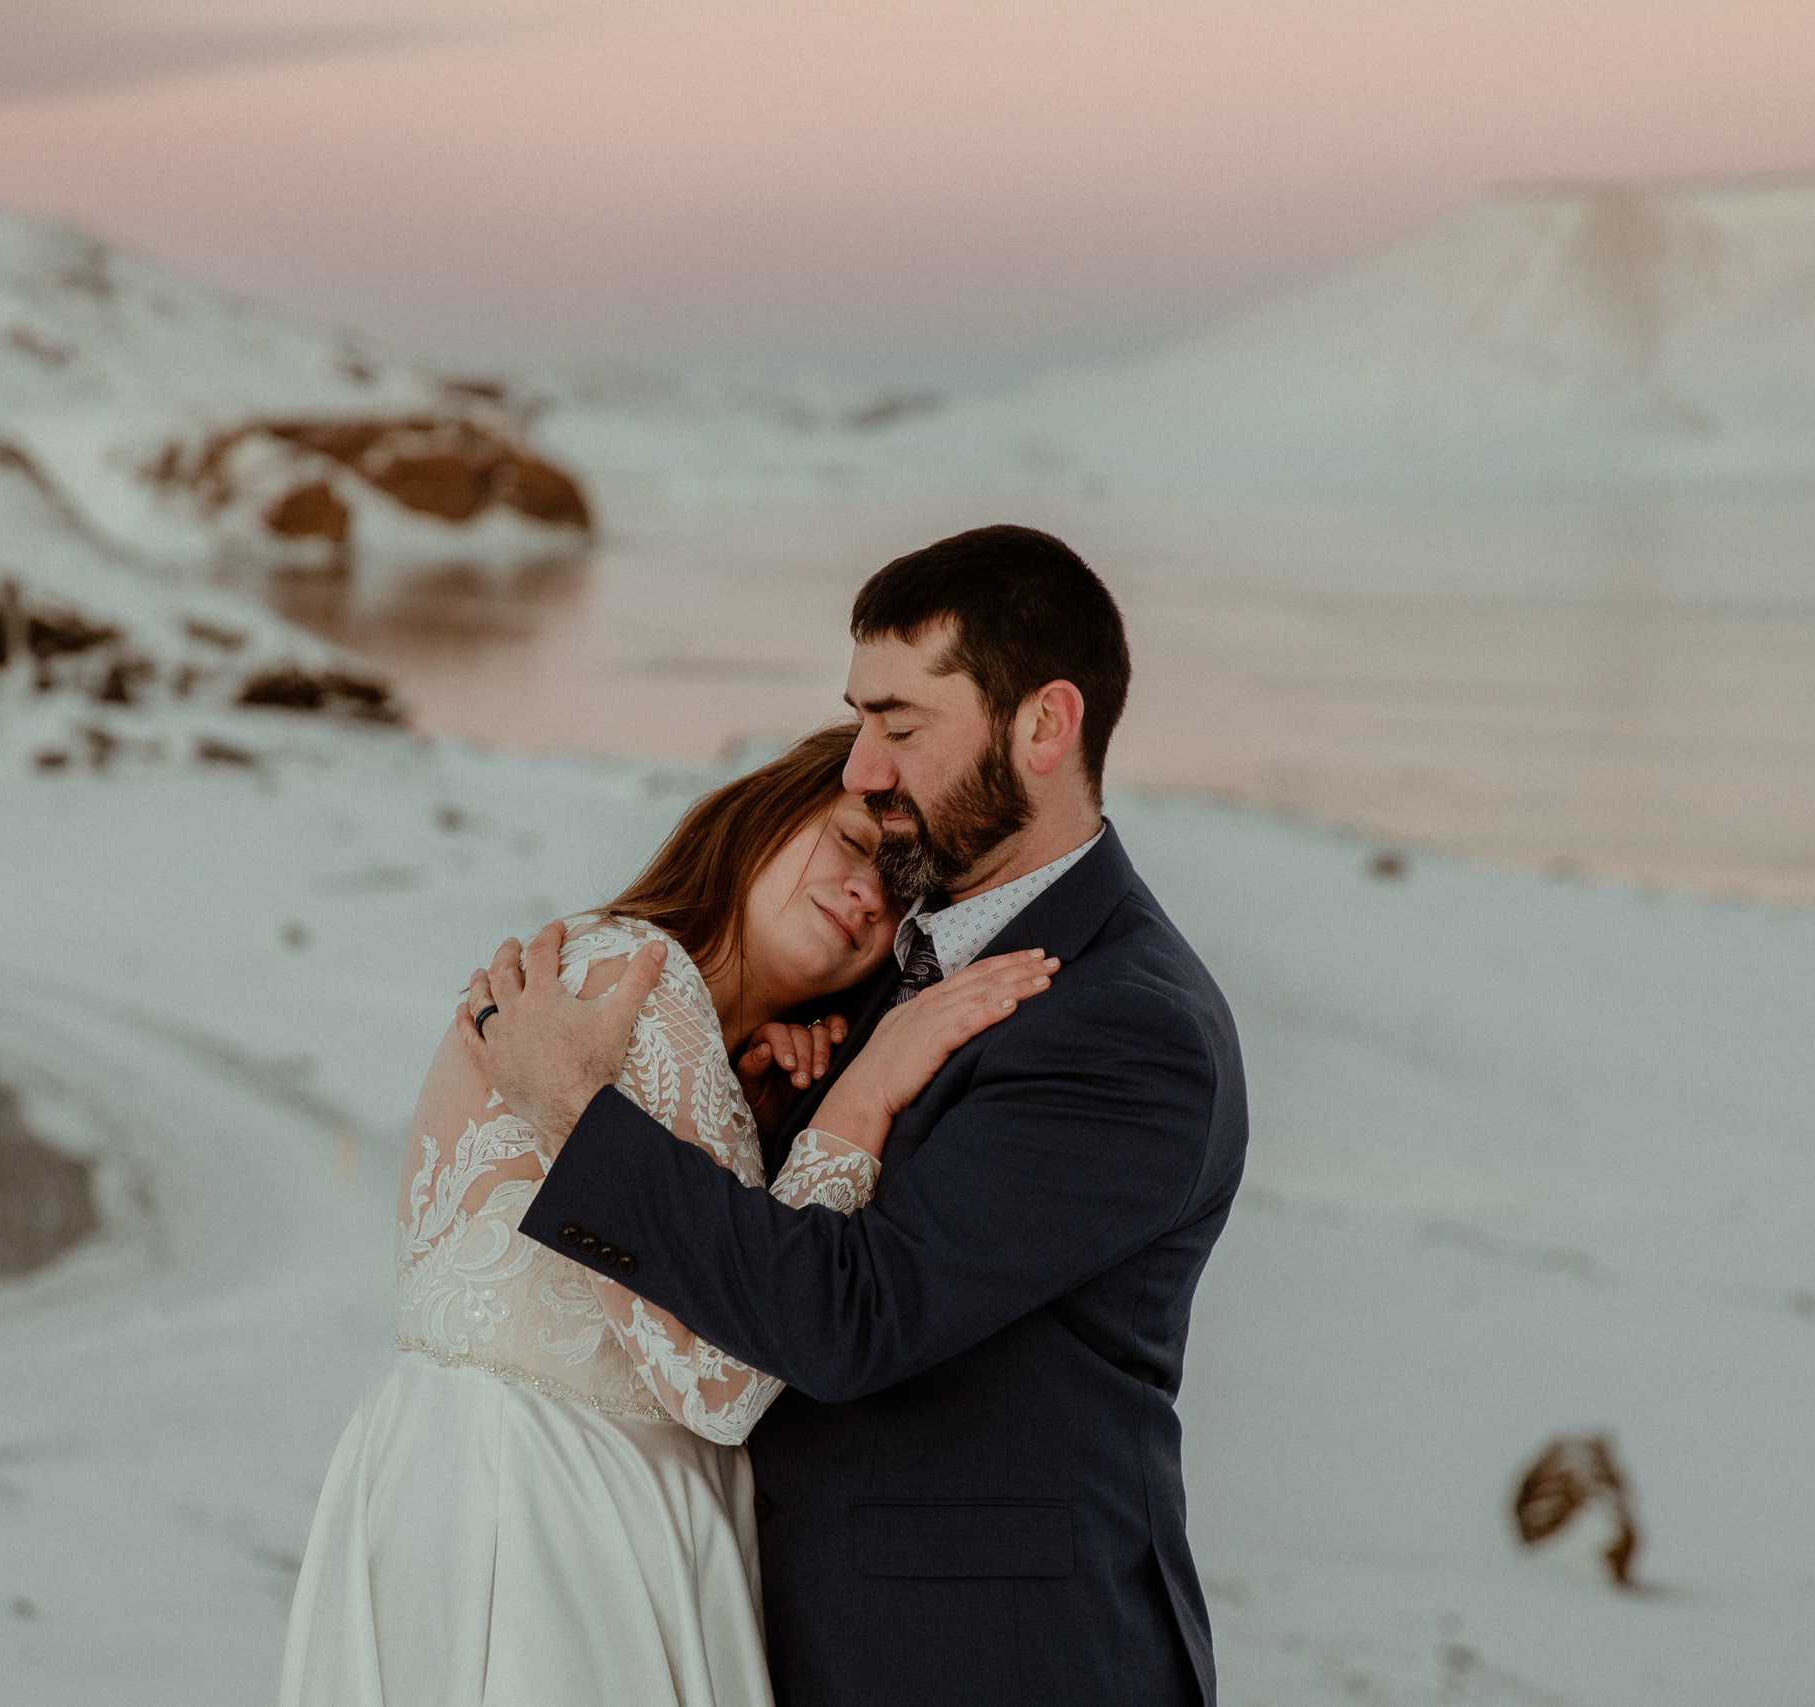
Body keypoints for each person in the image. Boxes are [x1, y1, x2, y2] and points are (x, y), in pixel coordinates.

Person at [467, 524, 1249, 1707]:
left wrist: (580, 1116)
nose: (863, 772)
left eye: (901, 727)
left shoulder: (1127, 1028)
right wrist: (769, 1108)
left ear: (1044, 726)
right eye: (859, 722)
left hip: (995, 1663)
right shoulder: (890, 965)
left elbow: (853, 1317)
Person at [279, 722, 1062, 1707]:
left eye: (904, 901)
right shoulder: (639, 987)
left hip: (455, 1484)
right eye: (852, 843)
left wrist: (763, 1133)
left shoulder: (651, 991)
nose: (872, 895)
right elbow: (720, 1382)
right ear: (761, 817)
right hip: (553, 1517)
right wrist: (867, 1092)